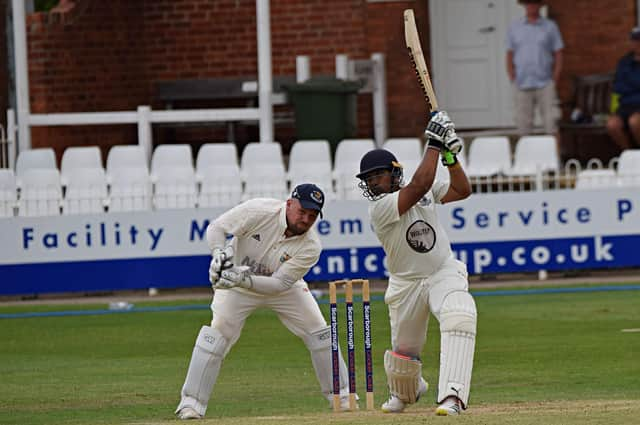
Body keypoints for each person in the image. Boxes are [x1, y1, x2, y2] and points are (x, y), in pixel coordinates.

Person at [175, 183, 353, 419]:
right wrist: (219, 254)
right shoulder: (259, 211)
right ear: (289, 204)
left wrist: (243, 279)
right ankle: (191, 404)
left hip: (280, 289)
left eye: (312, 216)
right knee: (218, 333)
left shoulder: (311, 246)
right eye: (302, 211)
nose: (306, 219)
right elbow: (217, 228)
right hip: (235, 284)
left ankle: (342, 398)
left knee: (319, 331)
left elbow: (279, 284)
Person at [355, 111, 476, 416]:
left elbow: (462, 190)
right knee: (405, 354)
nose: (373, 184)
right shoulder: (380, 209)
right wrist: (434, 142)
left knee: (458, 316)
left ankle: (453, 397)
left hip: (441, 272)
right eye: (369, 180)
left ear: (394, 173)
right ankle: (406, 391)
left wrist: (450, 157)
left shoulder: (419, 189)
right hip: (405, 282)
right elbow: (421, 185)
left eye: (377, 176)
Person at [506, 0, 564, 135]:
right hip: (522, 82)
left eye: (535, 3)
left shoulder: (550, 27)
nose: (532, 6)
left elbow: (558, 53)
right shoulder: (514, 27)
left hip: (545, 82)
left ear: (540, 5)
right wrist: (511, 75)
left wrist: (555, 77)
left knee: (552, 123)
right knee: (523, 124)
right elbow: (509, 53)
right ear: (524, 5)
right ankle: (525, 154)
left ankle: (554, 155)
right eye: (529, 3)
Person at [606, 26, 640, 150]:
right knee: (612, 125)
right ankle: (630, 153)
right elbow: (618, 87)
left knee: (635, 122)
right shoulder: (624, 62)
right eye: (635, 40)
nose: (637, 44)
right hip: (625, 107)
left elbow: (625, 85)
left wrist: (630, 84)